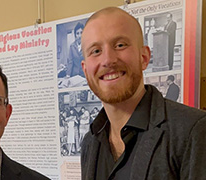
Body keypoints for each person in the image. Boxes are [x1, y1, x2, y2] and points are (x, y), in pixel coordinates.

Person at [80, 7, 206, 180]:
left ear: (144, 57)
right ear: (86, 70)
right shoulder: (90, 142)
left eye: (120, 45)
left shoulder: (193, 131)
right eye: (96, 51)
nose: (108, 60)